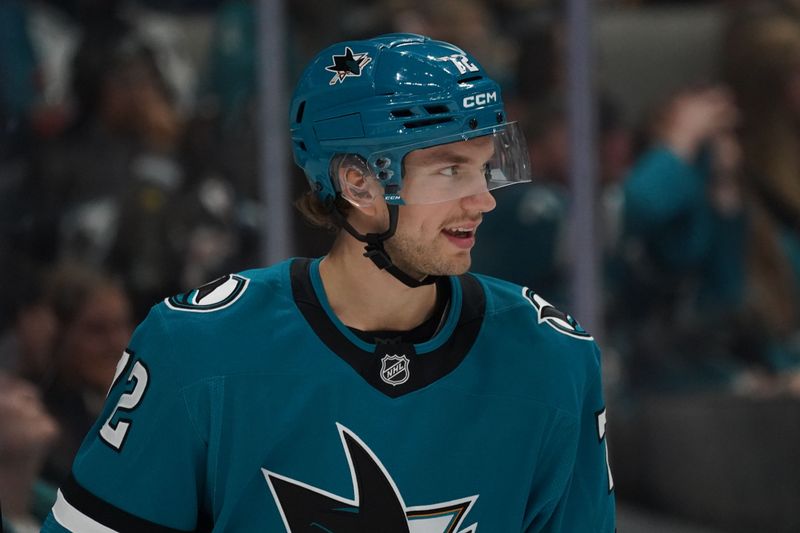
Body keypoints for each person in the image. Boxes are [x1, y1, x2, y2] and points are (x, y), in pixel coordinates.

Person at [42, 34, 615, 532]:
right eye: (449, 169)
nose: (483, 199)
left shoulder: (552, 358)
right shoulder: (195, 349)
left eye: (485, 164)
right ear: (359, 183)